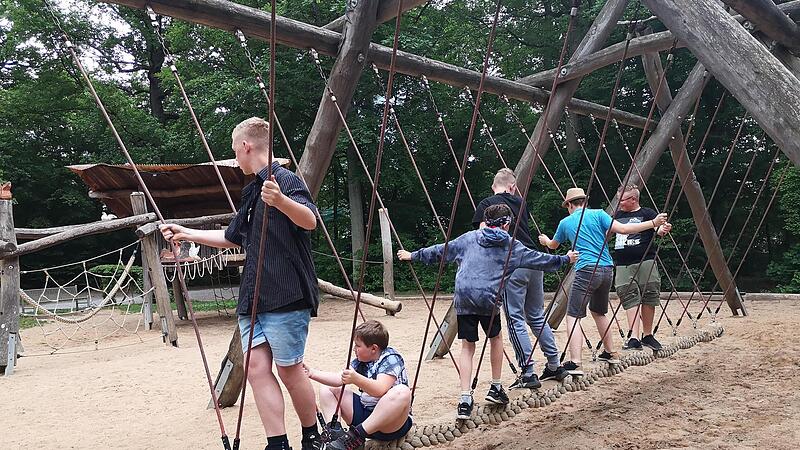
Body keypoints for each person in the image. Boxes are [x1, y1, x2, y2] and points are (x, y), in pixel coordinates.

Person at [159, 117, 321, 450]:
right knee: (256, 368)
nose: (235, 157)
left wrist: (282, 201)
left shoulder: (284, 180)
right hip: (253, 298)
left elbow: (310, 220)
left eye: (235, 151)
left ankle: (312, 436)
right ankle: (277, 443)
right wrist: (186, 232)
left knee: (290, 371)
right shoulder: (251, 190)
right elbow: (232, 237)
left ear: (246, 146)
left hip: (285, 293)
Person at [399, 204, 577, 420]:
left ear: (485, 220)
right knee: (495, 338)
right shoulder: (512, 246)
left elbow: (440, 251)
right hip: (488, 299)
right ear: (506, 224)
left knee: (467, 347)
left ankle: (465, 397)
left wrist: (413, 255)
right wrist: (566, 259)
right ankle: (495, 386)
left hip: (463, 297)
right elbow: (541, 260)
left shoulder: (469, 238)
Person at [538, 187, 667, 376]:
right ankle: (610, 352)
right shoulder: (599, 214)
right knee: (599, 312)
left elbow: (553, 245)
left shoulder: (566, 222)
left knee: (573, 316)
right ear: (585, 202)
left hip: (586, 270)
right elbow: (623, 229)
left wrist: (545, 240)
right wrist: (653, 223)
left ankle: (575, 362)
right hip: (607, 269)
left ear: (569, 205)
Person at [472, 168, 569, 389]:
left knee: (514, 317)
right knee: (535, 315)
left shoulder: (487, 203)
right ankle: (554, 364)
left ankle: (527, 372)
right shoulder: (521, 203)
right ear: (513, 187)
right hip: (533, 260)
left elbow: (482, 233)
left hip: (512, 263)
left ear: (493, 186)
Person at [307, 320, 413, 450]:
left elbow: (380, 389)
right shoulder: (361, 361)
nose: (354, 349)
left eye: (358, 346)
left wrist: (356, 378)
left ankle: (355, 436)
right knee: (327, 388)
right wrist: (311, 373)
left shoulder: (390, 358)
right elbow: (338, 379)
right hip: (365, 415)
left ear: (373, 348)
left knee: (402, 391)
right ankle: (335, 434)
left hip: (391, 424)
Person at [612, 185, 672, 351]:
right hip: (623, 263)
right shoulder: (617, 215)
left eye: (622, 200)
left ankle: (647, 335)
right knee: (628, 295)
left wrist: (663, 228)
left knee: (649, 294)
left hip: (646, 260)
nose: (619, 203)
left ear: (633, 200)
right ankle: (633, 336)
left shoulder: (647, 213)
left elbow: (658, 228)